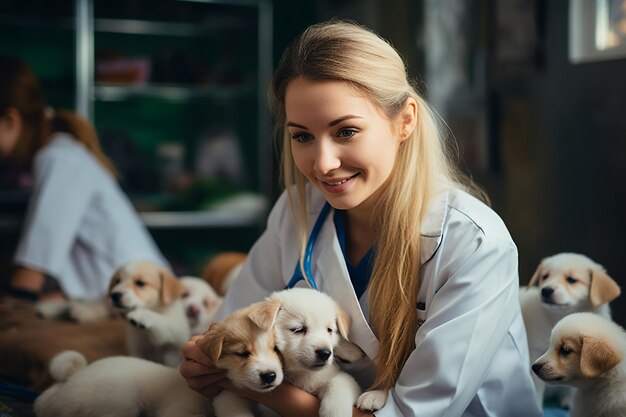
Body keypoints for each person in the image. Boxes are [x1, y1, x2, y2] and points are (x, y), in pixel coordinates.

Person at [180, 21, 542, 417]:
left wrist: (256, 386)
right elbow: (225, 333)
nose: (323, 163)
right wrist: (203, 361)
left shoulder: (472, 242)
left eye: (346, 131)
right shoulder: (297, 211)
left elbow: (409, 413)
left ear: (404, 121)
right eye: (302, 136)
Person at [0, 56, 169, 301]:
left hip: (146, 304)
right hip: (115, 302)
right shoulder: (57, 154)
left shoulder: (59, 159)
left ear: (10, 121)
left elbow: (28, 281)